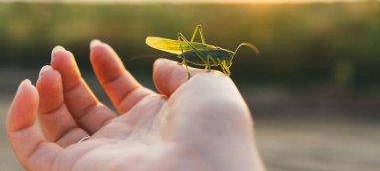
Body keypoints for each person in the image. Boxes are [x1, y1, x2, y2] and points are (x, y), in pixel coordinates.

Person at [6, 40, 265, 171]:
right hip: (191, 52)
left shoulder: (221, 63)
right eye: (226, 58)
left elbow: (221, 66)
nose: (227, 60)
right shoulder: (214, 57)